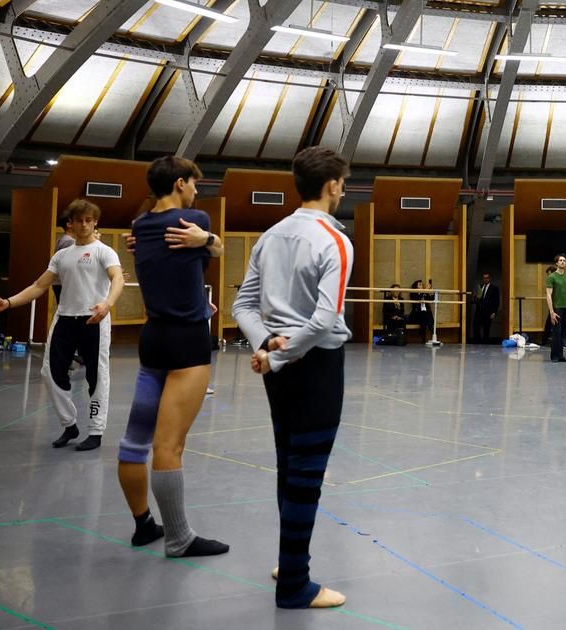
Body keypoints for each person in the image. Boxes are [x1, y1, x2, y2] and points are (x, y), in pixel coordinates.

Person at [233, 146, 352, 610]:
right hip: (314, 366)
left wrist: (266, 346)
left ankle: (291, 560)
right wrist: (279, 357)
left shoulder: (270, 235)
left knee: (288, 463)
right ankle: (295, 585)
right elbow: (324, 320)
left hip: (277, 365)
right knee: (306, 474)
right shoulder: (335, 239)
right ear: (332, 186)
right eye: (342, 181)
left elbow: (243, 305)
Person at [115, 156, 229, 558]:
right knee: (169, 446)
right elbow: (215, 252)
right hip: (186, 344)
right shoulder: (193, 219)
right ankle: (179, 539)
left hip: (153, 338)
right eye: (194, 183)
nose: (197, 190)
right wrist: (208, 240)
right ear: (180, 184)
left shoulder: (140, 226)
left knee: (134, 443)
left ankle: (144, 525)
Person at [0, 199, 124, 450]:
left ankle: (96, 431)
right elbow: (39, 286)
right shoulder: (62, 255)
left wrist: (108, 304)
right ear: (71, 223)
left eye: (89, 220)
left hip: (95, 320)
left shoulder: (104, 251)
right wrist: (8, 303)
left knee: (97, 376)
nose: (84, 224)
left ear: (95, 222)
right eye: (79, 220)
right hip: (65, 319)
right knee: (50, 373)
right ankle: (69, 424)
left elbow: (118, 278)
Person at [545, 254, 566, 363]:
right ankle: (554, 356)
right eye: (560, 260)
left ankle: (561, 355)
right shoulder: (552, 277)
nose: (563, 262)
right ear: (557, 263)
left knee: (563, 332)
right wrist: (552, 311)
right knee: (556, 332)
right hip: (557, 308)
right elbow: (548, 295)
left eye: (564, 261)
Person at [472, 272, 499, 343]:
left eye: (487, 278)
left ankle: (485, 345)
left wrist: (494, 312)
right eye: (484, 278)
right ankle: (477, 342)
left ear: (489, 279)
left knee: (486, 330)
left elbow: (497, 301)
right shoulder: (480, 287)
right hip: (478, 312)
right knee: (475, 327)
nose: (485, 279)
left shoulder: (494, 288)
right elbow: (475, 300)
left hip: (488, 312)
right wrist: (476, 298)